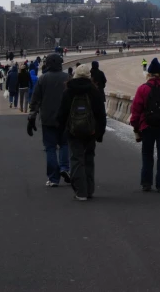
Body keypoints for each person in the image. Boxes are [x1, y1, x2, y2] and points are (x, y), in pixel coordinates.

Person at [55, 64, 107, 201]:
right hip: (91, 131)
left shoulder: (69, 91)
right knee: (89, 159)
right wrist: (100, 133)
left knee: (77, 159)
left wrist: (60, 132)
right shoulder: (94, 91)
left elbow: (62, 114)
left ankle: (80, 191)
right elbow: (101, 115)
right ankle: (89, 190)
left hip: (73, 131)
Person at [130, 58, 160, 192]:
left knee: (147, 154)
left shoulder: (143, 89)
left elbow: (136, 110)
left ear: (149, 74)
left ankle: (146, 183)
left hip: (147, 126)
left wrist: (136, 126)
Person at [29, 53, 72, 187]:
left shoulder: (43, 79)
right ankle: (65, 168)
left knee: (50, 148)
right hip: (65, 118)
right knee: (64, 144)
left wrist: (32, 116)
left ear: (47, 64)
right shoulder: (68, 78)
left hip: (48, 118)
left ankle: (53, 178)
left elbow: (35, 100)